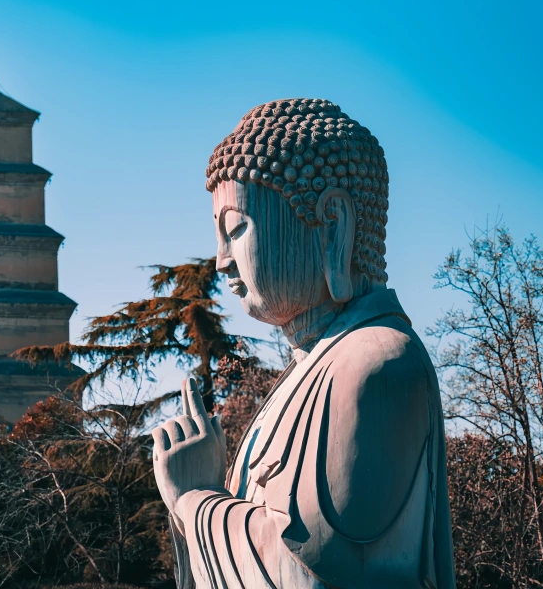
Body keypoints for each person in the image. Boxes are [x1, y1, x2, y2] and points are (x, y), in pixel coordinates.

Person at [152, 99, 456, 588]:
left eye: (237, 229)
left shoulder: (375, 364)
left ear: (332, 225)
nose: (222, 261)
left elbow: (314, 571)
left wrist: (194, 498)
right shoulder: (306, 372)